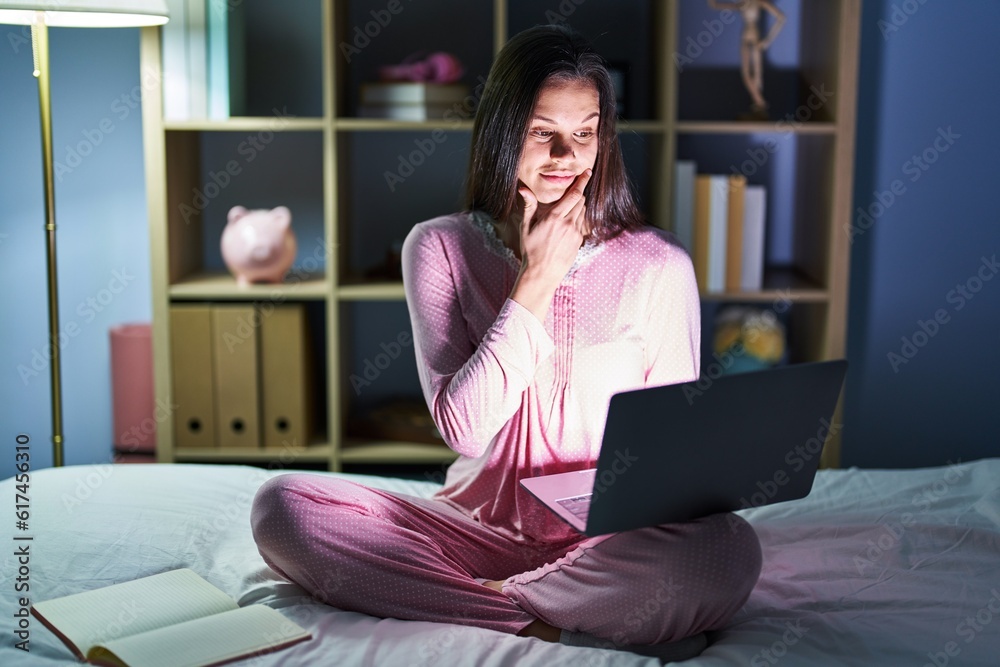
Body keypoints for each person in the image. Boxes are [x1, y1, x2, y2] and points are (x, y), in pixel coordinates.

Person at [251, 24, 762, 663]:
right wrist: (539, 277)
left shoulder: (659, 264)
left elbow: (672, 452)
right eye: (540, 131)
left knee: (728, 549)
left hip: (604, 542)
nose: (565, 155)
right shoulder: (438, 247)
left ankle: (507, 601)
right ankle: (535, 616)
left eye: (586, 132)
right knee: (283, 507)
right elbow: (463, 430)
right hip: (471, 529)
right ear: (501, 130)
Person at [708, 0, 786, 118]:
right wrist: (713, 4)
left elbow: (781, 17)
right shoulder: (743, 4)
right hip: (745, 40)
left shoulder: (760, 3)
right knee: (747, 74)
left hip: (754, 40)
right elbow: (717, 6)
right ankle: (758, 105)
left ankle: (760, 104)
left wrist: (767, 41)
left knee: (756, 75)